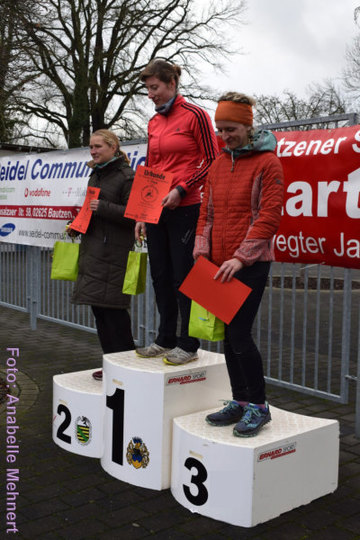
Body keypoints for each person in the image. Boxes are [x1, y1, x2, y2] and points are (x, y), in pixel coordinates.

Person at [193, 92, 284, 437]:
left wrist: (240, 257)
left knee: (239, 334)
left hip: (249, 264)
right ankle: (240, 401)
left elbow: (268, 217)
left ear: (248, 126)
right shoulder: (218, 163)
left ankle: (259, 406)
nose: (225, 136)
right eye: (220, 129)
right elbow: (207, 212)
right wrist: (202, 248)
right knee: (228, 338)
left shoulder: (267, 163)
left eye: (231, 128)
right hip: (218, 263)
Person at [135, 59, 218, 365]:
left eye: (154, 87)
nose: (150, 94)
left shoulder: (195, 114)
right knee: (160, 275)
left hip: (186, 205)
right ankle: (165, 338)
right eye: (147, 88)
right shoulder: (153, 122)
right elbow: (151, 169)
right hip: (157, 209)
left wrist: (182, 189)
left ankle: (188, 343)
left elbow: (212, 160)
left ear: (171, 83)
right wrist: (143, 212)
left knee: (183, 276)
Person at [70, 129, 135, 380]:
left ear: (112, 147)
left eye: (98, 146)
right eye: (91, 147)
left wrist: (104, 207)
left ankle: (126, 367)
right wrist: (78, 225)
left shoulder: (126, 176)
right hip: (94, 249)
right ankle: (111, 365)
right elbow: (91, 210)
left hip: (114, 253)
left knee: (114, 312)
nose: (93, 151)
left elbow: (134, 215)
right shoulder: (95, 175)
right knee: (100, 310)